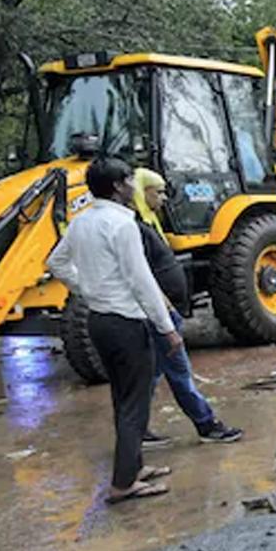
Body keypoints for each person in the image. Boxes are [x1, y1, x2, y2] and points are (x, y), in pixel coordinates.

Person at [47, 157, 179, 504]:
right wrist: (167, 328)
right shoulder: (122, 225)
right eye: (131, 180)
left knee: (123, 397)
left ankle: (133, 468)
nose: (135, 186)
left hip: (99, 321)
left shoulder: (81, 222)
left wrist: (87, 289)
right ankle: (123, 484)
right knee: (135, 402)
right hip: (126, 322)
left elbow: (55, 262)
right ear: (119, 186)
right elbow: (141, 280)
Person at [131, 168, 244, 448]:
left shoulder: (149, 225)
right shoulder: (137, 229)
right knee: (180, 374)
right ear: (142, 193)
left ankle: (138, 428)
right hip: (162, 316)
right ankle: (207, 425)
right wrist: (166, 311)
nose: (164, 198)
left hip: (164, 312)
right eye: (158, 192)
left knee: (154, 374)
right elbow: (142, 274)